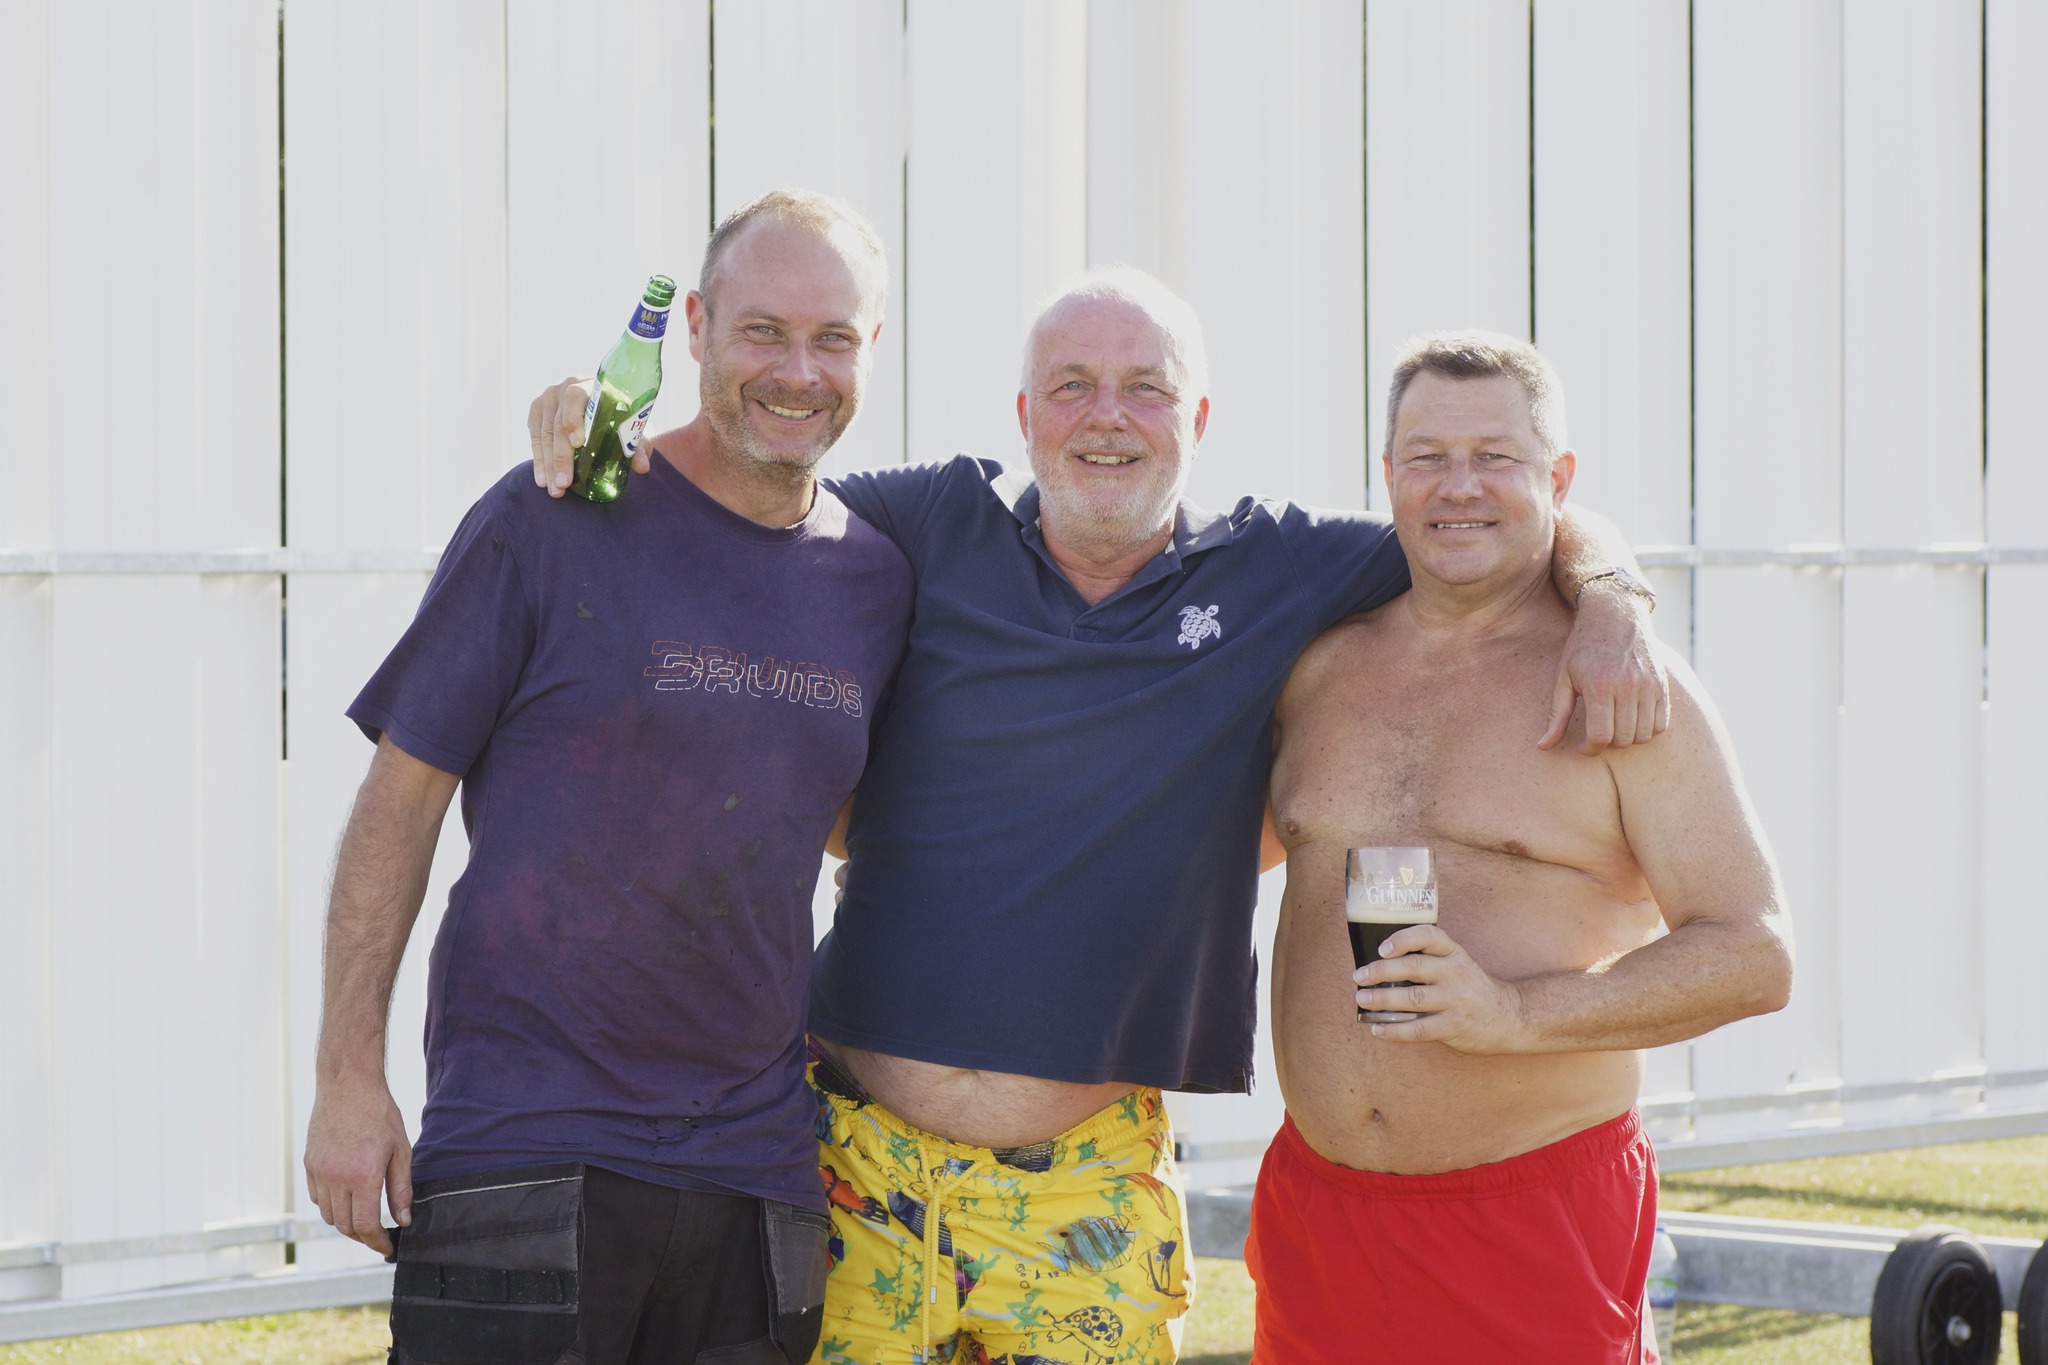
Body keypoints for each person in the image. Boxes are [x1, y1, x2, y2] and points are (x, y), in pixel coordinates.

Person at [527, 268, 1670, 1364]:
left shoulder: (1279, 566)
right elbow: (740, 498)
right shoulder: (927, 519)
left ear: (1198, 419)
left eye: (1146, 388)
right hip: (850, 1163)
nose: (1106, 417)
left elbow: (1488, 517)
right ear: (1024, 414)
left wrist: (1613, 594)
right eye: (1071, 385)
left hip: (1087, 1190)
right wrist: (600, 421)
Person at [303, 191, 914, 1365]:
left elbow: (841, 825)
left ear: (870, 347)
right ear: (696, 327)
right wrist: (346, 1079)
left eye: (832, 338)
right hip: (526, 1149)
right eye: (761, 331)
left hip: (757, 1173)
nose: (797, 371)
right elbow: (399, 803)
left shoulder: (878, 580)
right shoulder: (553, 512)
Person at [1250, 331, 1794, 1363]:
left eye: (1495, 456)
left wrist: (1512, 1012)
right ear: (1388, 474)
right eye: (1427, 457)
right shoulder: (1316, 668)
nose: (1458, 486)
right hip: (1319, 1219)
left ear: (1558, 477)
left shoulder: (1623, 686)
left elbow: (1754, 953)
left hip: (1532, 1216)